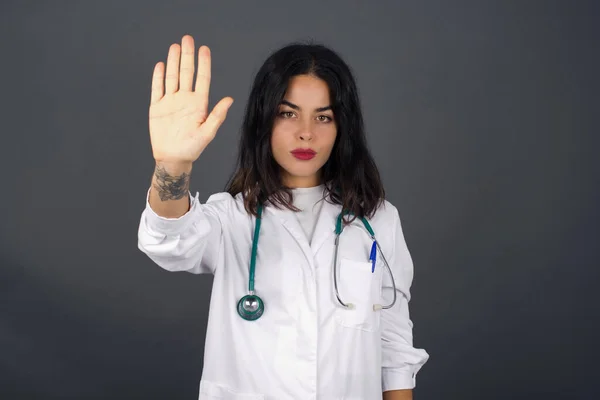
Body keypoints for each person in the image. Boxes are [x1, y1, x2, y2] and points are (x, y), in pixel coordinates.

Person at [137, 34, 429, 400]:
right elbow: (167, 240)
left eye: (323, 117)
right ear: (263, 121)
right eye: (288, 113)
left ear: (343, 129)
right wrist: (173, 166)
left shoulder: (378, 220)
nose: (306, 132)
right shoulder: (232, 218)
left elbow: (394, 346)